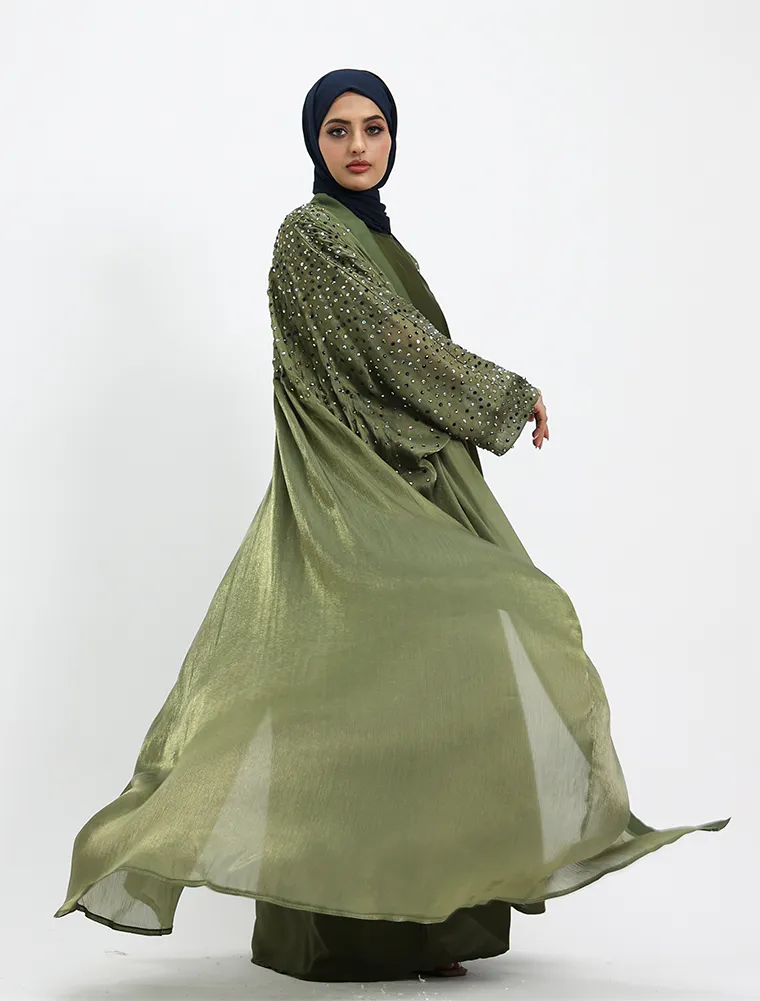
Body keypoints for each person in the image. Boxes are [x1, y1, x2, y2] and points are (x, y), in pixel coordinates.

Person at [53, 68, 729, 984]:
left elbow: (396, 352)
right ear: (313, 142)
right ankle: (334, 933)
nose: (358, 146)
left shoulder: (376, 238)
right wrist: (504, 392)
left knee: (444, 667)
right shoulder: (308, 235)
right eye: (338, 130)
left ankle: (430, 924)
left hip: (404, 479)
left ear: (393, 139)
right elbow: (387, 346)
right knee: (340, 687)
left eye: (373, 128)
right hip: (342, 489)